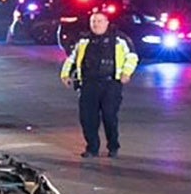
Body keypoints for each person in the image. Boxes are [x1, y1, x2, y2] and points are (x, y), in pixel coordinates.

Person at [59, 8, 137, 157]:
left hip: (111, 84)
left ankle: (113, 146)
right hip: (88, 84)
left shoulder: (119, 39)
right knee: (88, 118)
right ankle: (92, 148)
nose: (96, 24)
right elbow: (72, 59)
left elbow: (132, 57)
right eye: (93, 21)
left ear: (107, 22)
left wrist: (126, 73)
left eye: (99, 21)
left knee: (109, 116)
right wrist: (65, 74)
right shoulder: (83, 40)